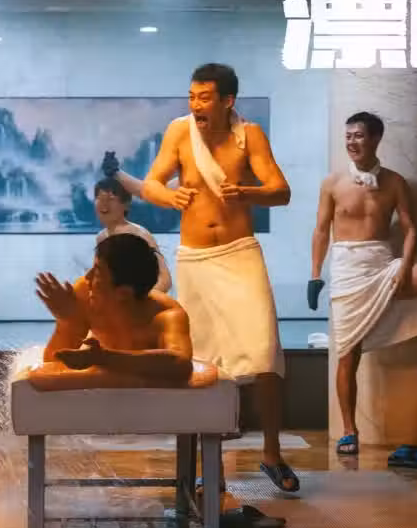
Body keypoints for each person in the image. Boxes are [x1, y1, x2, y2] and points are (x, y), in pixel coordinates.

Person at [105, 63, 299, 493]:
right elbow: (151, 184)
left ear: (228, 101)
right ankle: (209, 469)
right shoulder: (179, 132)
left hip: (240, 252)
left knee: (265, 353)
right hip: (195, 258)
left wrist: (247, 192)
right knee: (203, 359)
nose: (196, 105)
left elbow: (281, 190)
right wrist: (169, 196)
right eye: (192, 96)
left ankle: (272, 452)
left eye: (205, 97)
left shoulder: (250, 136)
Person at [308, 111, 417, 456]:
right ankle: (349, 431)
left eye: (359, 136)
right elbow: (320, 230)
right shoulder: (333, 183)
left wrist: (405, 266)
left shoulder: (393, 182)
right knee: (347, 354)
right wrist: (315, 275)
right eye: (348, 136)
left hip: (382, 264)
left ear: (376, 139)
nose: (352, 142)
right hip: (348, 271)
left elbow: (410, 229)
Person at [32, 234, 217, 388]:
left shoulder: (166, 315)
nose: (87, 277)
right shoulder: (84, 293)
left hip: (146, 394)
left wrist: (102, 358)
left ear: (124, 293)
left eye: (97, 271)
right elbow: (52, 363)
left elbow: (181, 365)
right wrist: (67, 322)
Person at [93, 177, 172, 294]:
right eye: (99, 198)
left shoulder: (139, 234)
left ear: (126, 204)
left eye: (111, 199)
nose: (104, 204)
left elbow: (165, 280)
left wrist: (142, 301)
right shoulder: (101, 237)